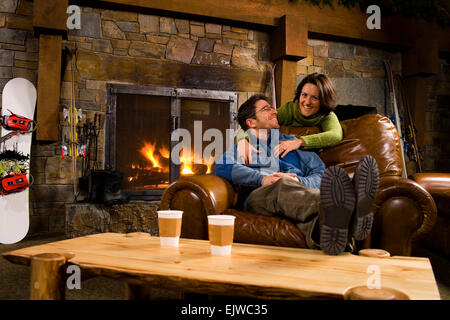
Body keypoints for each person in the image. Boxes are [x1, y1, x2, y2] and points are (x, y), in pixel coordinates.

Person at [214, 94, 379, 255]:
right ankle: (351, 205)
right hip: (259, 197)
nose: (275, 111)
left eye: (272, 108)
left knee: (314, 221)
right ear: (251, 122)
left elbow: (320, 174)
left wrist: (299, 180)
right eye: (266, 109)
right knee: (281, 185)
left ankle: (335, 237)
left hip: (298, 199)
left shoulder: (292, 143)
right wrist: (262, 178)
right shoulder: (245, 147)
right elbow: (222, 167)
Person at [237, 73, 343, 164]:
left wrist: (299, 142)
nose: (307, 102)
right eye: (304, 95)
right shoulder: (289, 110)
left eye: (314, 98)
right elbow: (252, 124)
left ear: (324, 100)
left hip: (310, 160)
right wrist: (243, 141)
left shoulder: (327, 115)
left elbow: (336, 135)